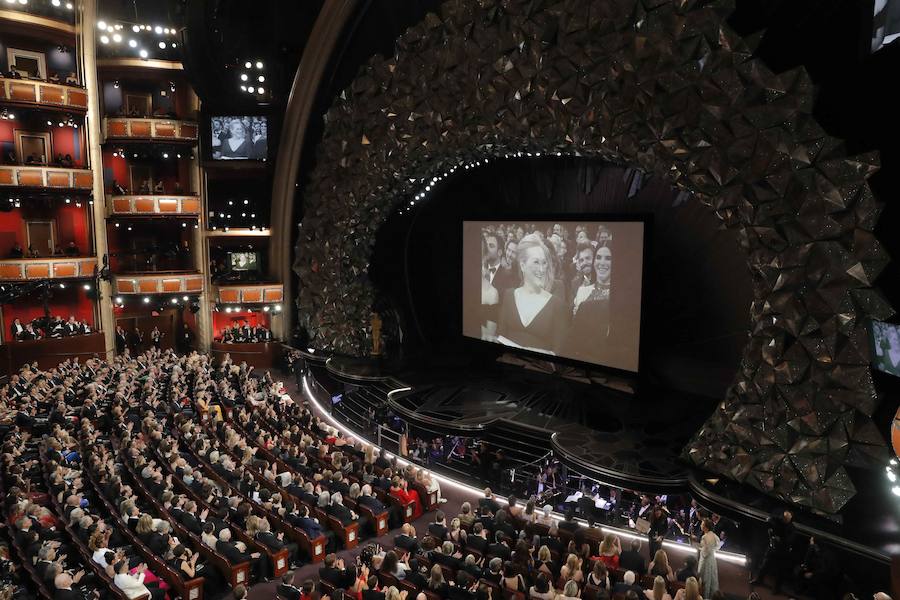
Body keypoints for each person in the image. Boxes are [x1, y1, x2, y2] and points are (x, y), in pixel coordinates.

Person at [496, 234, 567, 355]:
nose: (541, 269)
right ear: (522, 265)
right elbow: (500, 336)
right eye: (536, 262)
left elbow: (559, 352)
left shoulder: (556, 304)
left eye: (544, 263)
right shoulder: (509, 295)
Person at [750, 510, 795, 595]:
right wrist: (771, 528)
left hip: (782, 552)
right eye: (784, 517)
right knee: (764, 565)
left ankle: (776, 588)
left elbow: (790, 540)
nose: (784, 519)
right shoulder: (778, 520)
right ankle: (759, 580)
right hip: (772, 548)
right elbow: (771, 518)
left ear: (790, 519)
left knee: (780, 572)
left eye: (786, 518)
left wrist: (781, 540)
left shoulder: (791, 528)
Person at [696, 518, 719, 597]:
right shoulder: (714, 535)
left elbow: (705, 552)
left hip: (705, 560)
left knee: (704, 579)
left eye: (702, 524)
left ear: (706, 527)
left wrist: (698, 548)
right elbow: (717, 546)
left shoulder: (705, 537)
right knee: (712, 579)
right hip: (712, 559)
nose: (701, 525)